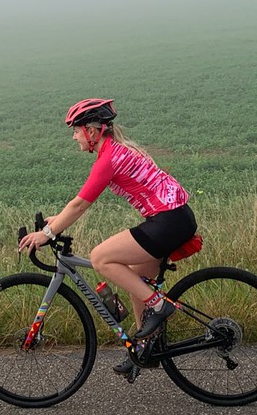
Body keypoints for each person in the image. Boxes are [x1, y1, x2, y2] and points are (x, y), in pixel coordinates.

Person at [18, 98, 198, 371]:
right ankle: (145, 346)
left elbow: (80, 204)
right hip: (174, 218)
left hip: (168, 221)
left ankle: (160, 307)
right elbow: (77, 203)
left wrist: (46, 233)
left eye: (76, 130)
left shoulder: (110, 158)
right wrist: (58, 222)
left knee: (101, 258)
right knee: (137, 278)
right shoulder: (114, 151)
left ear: (92, 132)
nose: (73, 136)